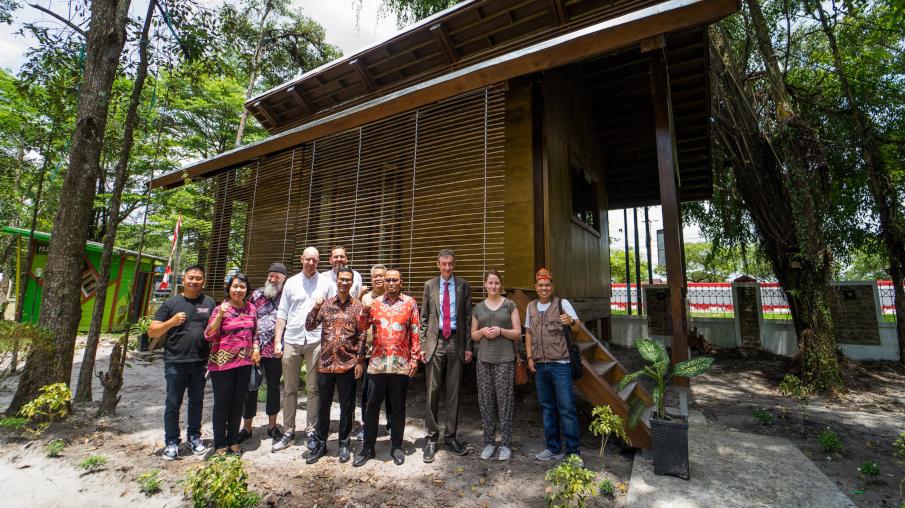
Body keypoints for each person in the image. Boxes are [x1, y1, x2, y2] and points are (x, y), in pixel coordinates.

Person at [354, 269, 422, 467]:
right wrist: (364, 309)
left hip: (400, 364)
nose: (391, 283)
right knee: (372, 407)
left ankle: (397, 446)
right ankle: (367, 447)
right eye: (388, 280)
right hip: (377, 363)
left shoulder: (410, 303)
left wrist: (415, 359)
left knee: (398, 407)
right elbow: (361, 327)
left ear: (401, 282)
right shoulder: (374, 303)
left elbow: (415, 331)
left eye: (395, 280)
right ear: (383, 282)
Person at [150, 264, 214, 460]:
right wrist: (171, 322)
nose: (194, 281)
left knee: (196, 401)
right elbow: (152, 331)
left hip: (200, 362)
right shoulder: (171, 304)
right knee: (172, 403)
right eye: (190, 278)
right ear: (183, 280)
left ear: (203, 282)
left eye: (198, 278)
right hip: (175, 361)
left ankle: (194, 437)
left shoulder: (209, 303)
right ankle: (171, 442)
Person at [304, 267, 368, 464]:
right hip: (325, 364)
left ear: (352, 282)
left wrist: (359, 361)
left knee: (347, 408)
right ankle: (321, 443)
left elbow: (363, 336)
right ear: (336, 281)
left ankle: (344, 444)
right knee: (323, 407)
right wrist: (315, 307)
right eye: (341, 279)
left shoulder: (358, 307)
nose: (344, 283)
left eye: (348, 280)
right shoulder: (326, 304)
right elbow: (309, 325)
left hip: (347, 365)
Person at [272, 247, 331, 453]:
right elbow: (282, 313)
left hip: (316, 340)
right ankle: (288, 431)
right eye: (308, 259)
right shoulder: (291, 282)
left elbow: (331, 312)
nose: (311, 263)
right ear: (301, 259)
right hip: (292, 339)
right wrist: (277, 341)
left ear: (319, 261)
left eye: (314, 260)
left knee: (314, 389)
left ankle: (311, 430)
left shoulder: (326, 282)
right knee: (289, 389)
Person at [420, 249, 473, 462]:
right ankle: (432, 438)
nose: (447, 267)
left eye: (450, 263)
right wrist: (423, 345)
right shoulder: (429, 285)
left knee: (454, 392)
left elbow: (468, 319)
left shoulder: (463, 286)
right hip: (435, 341)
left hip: (456, 342)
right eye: (444, 264)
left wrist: (469, 346)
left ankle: (451, 437)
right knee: (432, 390)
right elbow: (424, 318)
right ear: (438, 264)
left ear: (454, 264)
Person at [525, 267, 583, 464]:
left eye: (547, 285)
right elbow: (529, 334)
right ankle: (553, 448)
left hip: (560, 364)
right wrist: (530, 358)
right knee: (547, 408)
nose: (544, 288)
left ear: (552, 286)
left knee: (566, 408)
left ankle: (574, 453)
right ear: (535, 287)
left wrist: (571, 320)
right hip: (540, 366)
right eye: (540, 285)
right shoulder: (530, 307)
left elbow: (578, 327)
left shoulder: (562, 304)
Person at [470, 269, 521, 461]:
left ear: (501, 285)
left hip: (505, 360)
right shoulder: (478, 308)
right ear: (485, 284)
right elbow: (473, 336)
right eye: (490, 283)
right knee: (486, 402)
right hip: (483, 360)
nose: (493, 286)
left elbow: (517, 333)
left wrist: (501, 330)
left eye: (496, 283)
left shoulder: (510, 305)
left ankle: (506, 444)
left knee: (505, 402)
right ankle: (489, 442)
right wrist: (483, 331)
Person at [205, 273, 256, 455]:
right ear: (229, 289)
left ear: (247, 290)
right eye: (235, 286)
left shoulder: (251, 309)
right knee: (222, 403)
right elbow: (209, 335)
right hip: (222, 365)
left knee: (237, 403)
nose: (238, 290)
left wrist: (256, 348)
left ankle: (233, 439)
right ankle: (220, 443)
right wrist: (220, 316)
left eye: (242, 287)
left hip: (244, 363)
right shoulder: (221, 308)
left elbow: (254, 333)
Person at [239, 262, 288, 444]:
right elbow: (250, 322)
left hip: (277, 350)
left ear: (284, 279)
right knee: (250, 388)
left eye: (278, 276)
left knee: (274, 388)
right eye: (271, 275)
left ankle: (272, 426)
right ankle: (247, 427)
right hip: (255, 350)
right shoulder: (256, 295)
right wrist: (255, 346)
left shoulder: (286, 296)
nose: (273, 279)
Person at [357, 264, 391, 441]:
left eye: (381, 276)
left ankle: (391, 425)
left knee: (390, 392)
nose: (378, 278)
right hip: (370, 353)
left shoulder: (392, 298)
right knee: (367, 392)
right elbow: (358, 324)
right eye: (375, 276)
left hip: (390, 353)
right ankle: (366, 425)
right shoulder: (365, 299)